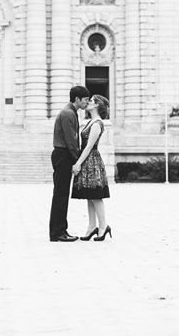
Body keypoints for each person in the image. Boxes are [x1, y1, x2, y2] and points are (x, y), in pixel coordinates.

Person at [49, 85, 91, 242]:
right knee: (61, 194)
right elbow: (70, 140)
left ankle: (60, 230)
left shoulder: (70, 112)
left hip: (63, 154)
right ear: (77, 99)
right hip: (63, 154)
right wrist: (78, 160)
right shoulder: (68, 114)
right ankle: (57, 232)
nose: (87, 103)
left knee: (62, 194)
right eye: (85, 100)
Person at [72, 95, 112, 241]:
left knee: (96, 195)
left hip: (92, 161)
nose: (88, 103)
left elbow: (89, 146)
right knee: (90, 195)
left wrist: (78, 163)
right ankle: (91, 226)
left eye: (91, 101)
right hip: (89, 161)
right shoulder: (91, 121)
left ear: (96, 106)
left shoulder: (97, 123)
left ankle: (103, 226)